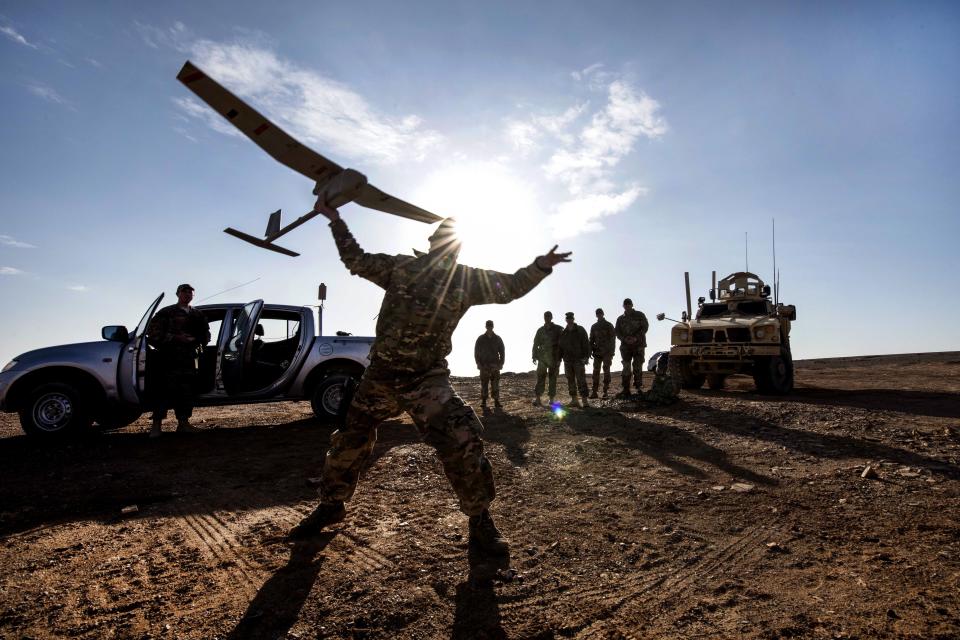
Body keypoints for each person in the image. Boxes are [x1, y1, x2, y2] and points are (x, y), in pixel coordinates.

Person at [291, 202, 571, 555]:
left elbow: (510, 288)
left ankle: (480, 521)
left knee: (462, 438)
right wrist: (336, 221)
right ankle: (332, 504)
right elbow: (356, 260)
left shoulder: (466, 281)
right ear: (431, 241)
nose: (446, 246)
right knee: (349, 437)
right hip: (381, 376)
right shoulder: (401, 267)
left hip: (426, 380)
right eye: (442, 238)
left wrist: (540, 266)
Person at [146, 284, 211, 437]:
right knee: (163, 391)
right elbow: (153, 334)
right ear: (178, 294)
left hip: (189, 359)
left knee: (186, 392)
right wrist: (176, 338)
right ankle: (156, 427)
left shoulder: (197, 315)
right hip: (168, 359)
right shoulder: (166, 312)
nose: (187, 294)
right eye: (184, 292)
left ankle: (183, 424)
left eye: (190, 292)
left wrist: (196, 340)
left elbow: (206, 335)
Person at [615, 297, 649, 398]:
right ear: (623, 306)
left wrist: (636, 338)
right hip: (626, 347)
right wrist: (624, 339)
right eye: (625, 305)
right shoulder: (620, 319)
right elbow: (617, 331)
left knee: (637, 366)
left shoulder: (639, 315)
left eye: (629, 304)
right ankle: (626, 389)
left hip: (638, 345)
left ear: (632, 305)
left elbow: (645, 327)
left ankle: (638, 388)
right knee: (626, 367)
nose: (627, 306)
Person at [558, 311, 590, 408]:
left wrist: (586, 357)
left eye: (571, 318)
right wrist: (559, 359)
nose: (569, 320)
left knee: (581, 380)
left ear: (573, 319)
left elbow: (586, 344)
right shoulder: (563, 333)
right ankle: (574, 400)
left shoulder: (580, 330)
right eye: (568, 318)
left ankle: (584, 401)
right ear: (566, 320)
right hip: (567, 360)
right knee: (570, 380)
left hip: (578, 360)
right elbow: (560, 347)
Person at [531, 311, 562, 407]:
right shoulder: (540, 330)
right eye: (545, 316)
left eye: (548, 316)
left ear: (551, 317)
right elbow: (535, 343)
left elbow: (562, 344)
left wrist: (560, 358)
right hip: (542, 358)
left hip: (554, 357)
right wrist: (534, 355)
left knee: (553, 378)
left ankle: (551, 399)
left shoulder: (558, 329)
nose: (547, 318)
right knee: (540, 377)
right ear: (544, 317)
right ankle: (538, 399)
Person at [475, 320, 505, 411]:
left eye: (491, 325)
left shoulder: (498, 339)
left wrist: (500, 364)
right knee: (484, 384)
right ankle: (484, 401)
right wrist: (478, 363)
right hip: (484, 365)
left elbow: (502, 352)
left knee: (495, 384)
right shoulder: (480, 339)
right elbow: (476, 352)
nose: (489, 327)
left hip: (494, 366)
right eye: (488, 325)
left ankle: (496, 401)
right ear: (486, 326)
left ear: (493, 326)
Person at [589, 307, 616, 399]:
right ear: (596, 315)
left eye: (600, 313)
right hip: (597, 353)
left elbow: (613, 340)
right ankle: (594, 392)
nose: (599, 315)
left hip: (607, 352)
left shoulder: (609, 325)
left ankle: (605, 391)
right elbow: (591, 340)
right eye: (597, 313)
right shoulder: (594, 326)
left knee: (606, 371)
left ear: (603, 314)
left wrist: (612, 352)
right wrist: (590, 351)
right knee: (595, 372)